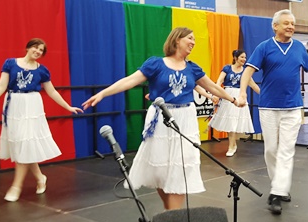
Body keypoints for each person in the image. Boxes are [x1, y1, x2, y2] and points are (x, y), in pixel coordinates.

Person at [82, 27, 240, 210]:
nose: (193, 42)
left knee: (180, 167)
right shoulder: (156, 64)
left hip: (185, 119)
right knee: (161, 168)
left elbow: (213, 87)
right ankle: (170, 214)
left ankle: (174, 215)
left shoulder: (193, 68)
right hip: (161, 118)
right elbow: (129, 80)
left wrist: (233, 99)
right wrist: (103, 94)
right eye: (189, 38)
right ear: (177, 40)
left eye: (194, 39)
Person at [238, 9, 308, 215]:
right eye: (286, 23)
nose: (291, 27)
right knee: (271, 150)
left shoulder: (299, 48)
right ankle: (280, 185)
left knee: (286, 151)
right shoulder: (264, 47)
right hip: (268, 107)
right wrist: (242, 93)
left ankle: (277, 192)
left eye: (292, 23)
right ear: (275, 26)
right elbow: (248, 70)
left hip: (293, 107)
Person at [0, 38, 83, 202]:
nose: (38, 51)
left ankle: (16, 186)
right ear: (28, 47)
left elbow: (52, 91)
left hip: (32, 106)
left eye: (41, 50)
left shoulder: (42, 71)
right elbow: (1, 86)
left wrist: (68, 107)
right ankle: (40, 177)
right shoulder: (10, 63)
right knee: (23, 144)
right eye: (36, 47)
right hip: (14, 105)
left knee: (25, 142)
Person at [209, 50, 260, 156]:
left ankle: (232, 145)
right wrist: (216, 94)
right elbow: (219, 81)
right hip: (228, 95)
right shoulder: (227, 68)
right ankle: (232, 145)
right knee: (230, 122)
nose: (244, 59)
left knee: (235, 122)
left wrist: (265, 96)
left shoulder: (245, 72)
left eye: (245, 57)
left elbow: (253, 85)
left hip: (239, 96)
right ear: (235, 57)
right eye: (242, 57)